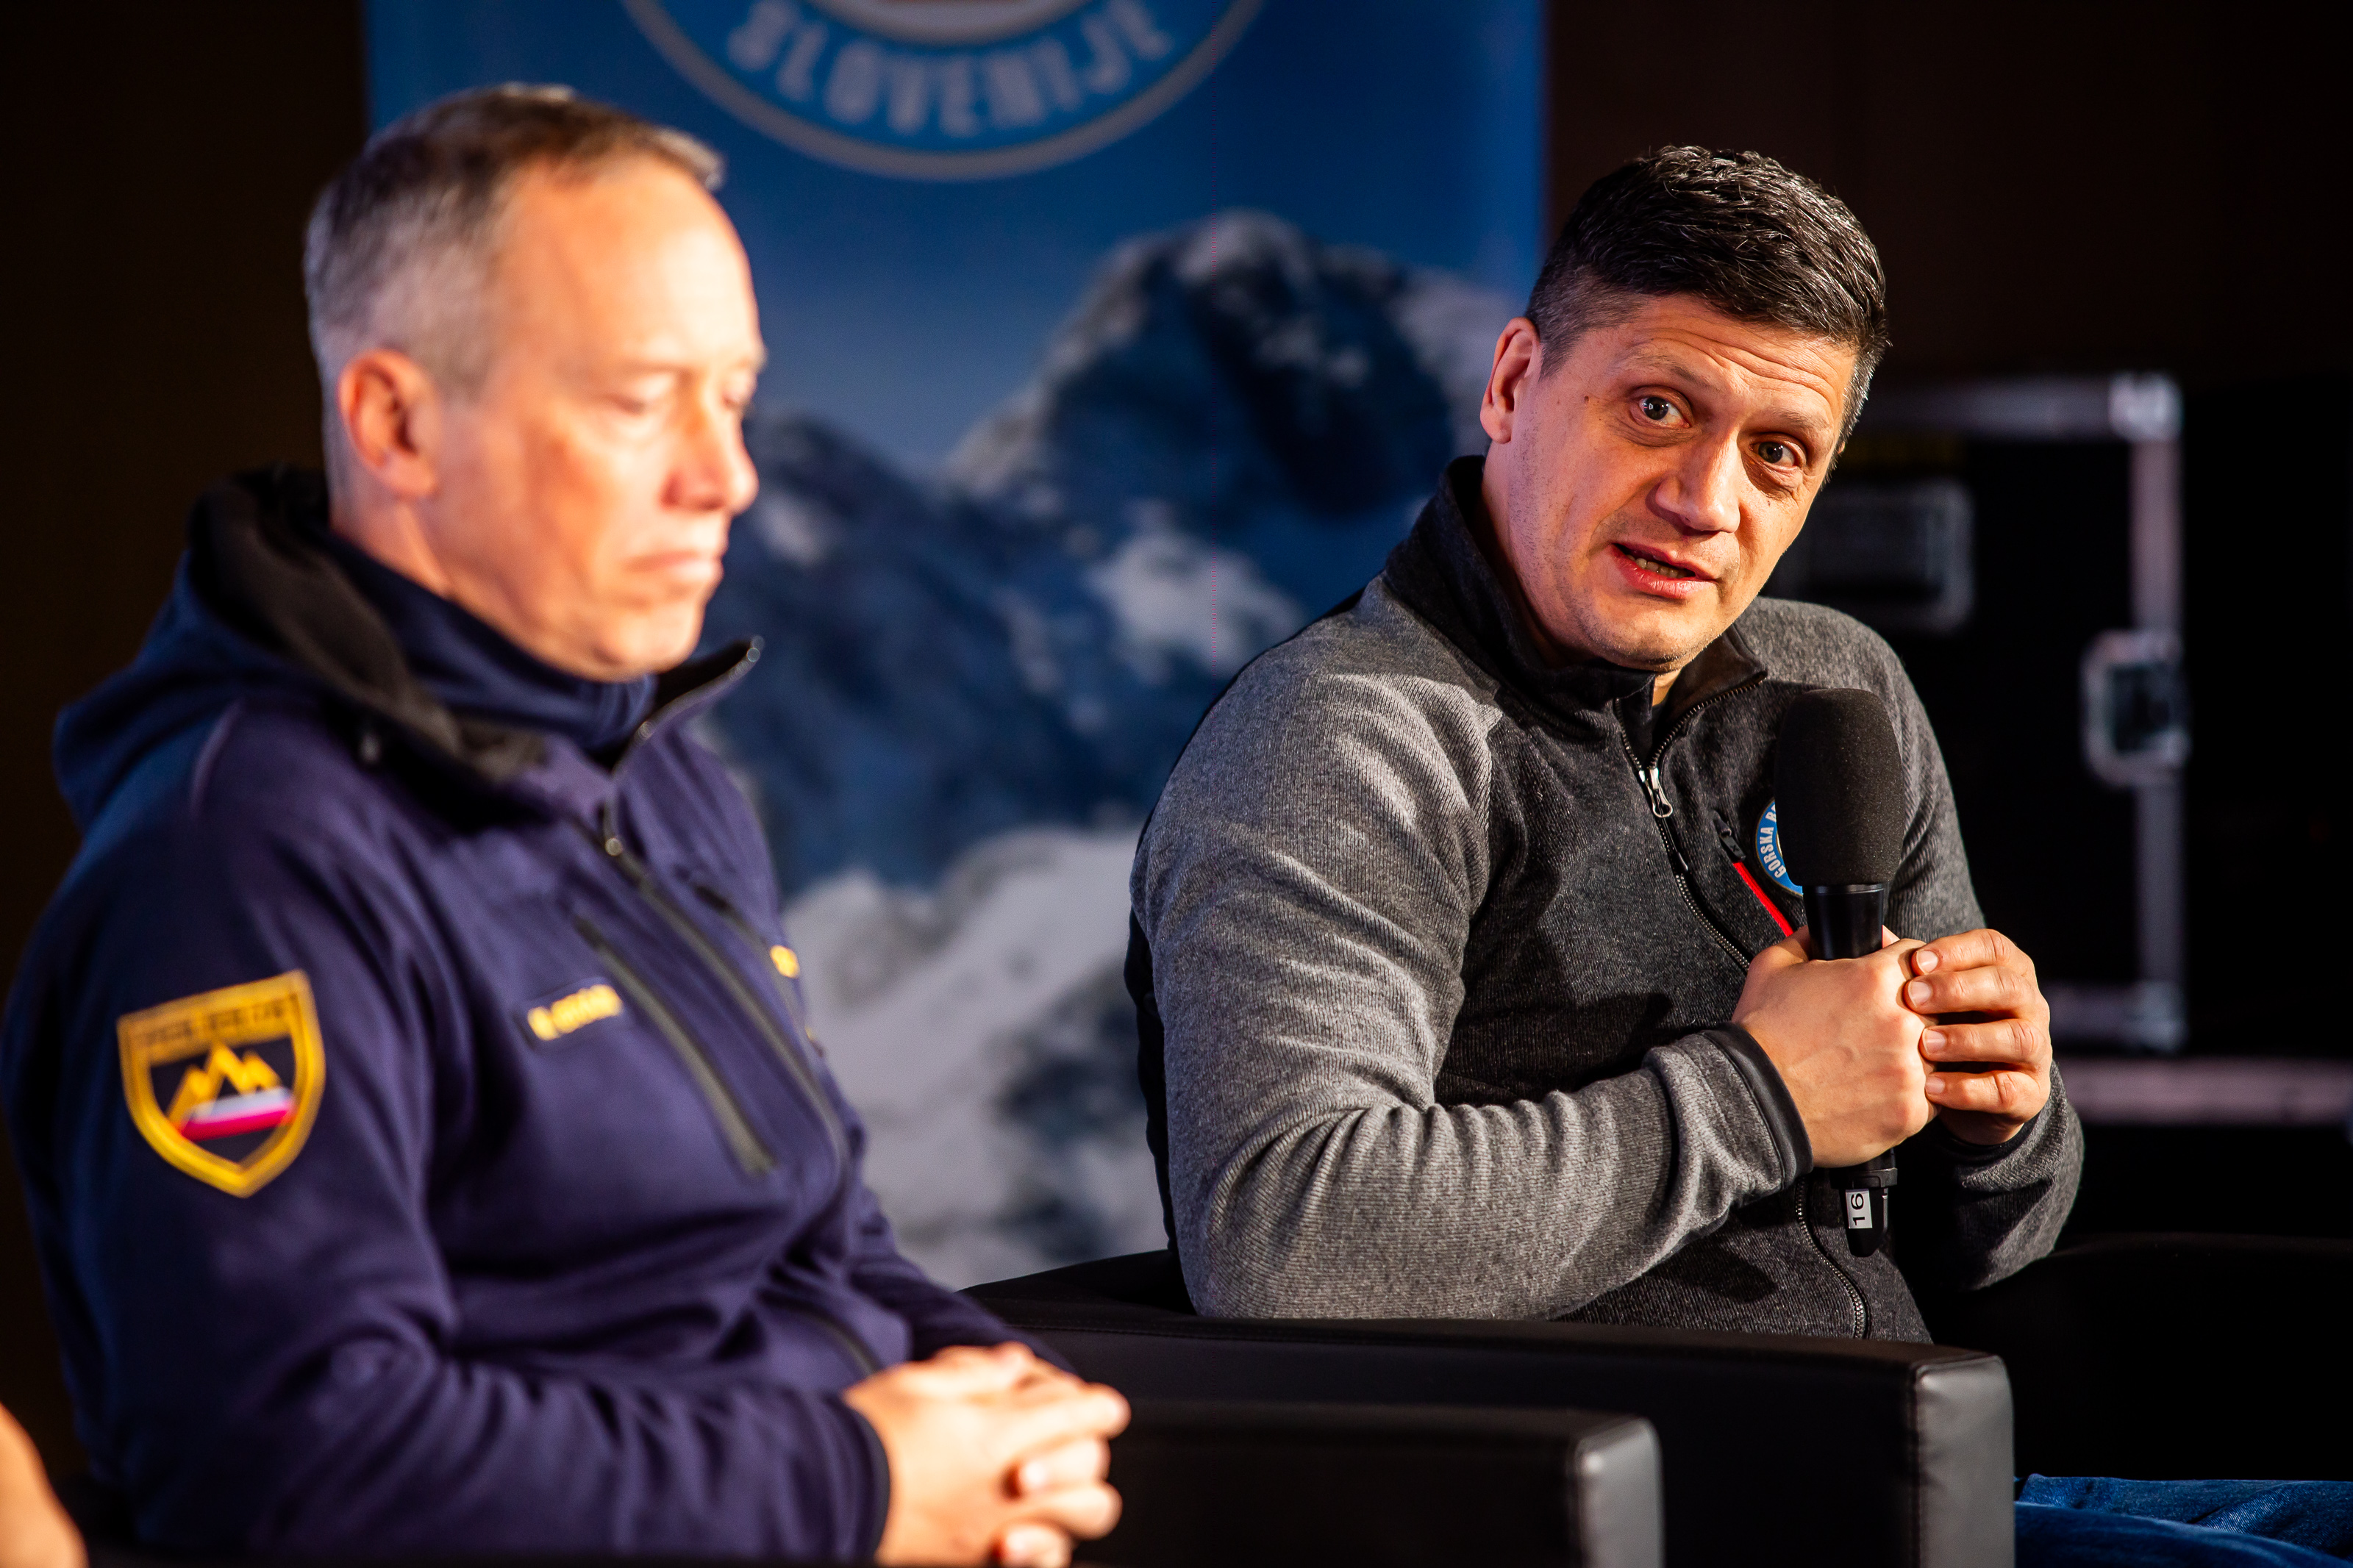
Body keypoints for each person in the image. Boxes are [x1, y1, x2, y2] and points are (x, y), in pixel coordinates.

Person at [0, 87, 1123, 1567]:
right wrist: (855, 1486)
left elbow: (823, 1241)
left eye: (733, 396)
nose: (727, 477)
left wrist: (1010, 1413)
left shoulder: (655, 765)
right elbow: (287, 1463)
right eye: (641, 400)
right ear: (398, 424)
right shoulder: (238, 866)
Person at [1130, 146, 2077, 1338]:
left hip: (1910, 1427)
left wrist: (2001, 1128)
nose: (1707, 501)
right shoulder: (1342, 737)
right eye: (1658, 409)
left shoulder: (1839, 687)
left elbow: (1982, 1248)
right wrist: (1765, 1099)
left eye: (1777, 452)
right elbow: (1287, 1241)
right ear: (1513, 384)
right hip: (1615, 1456)